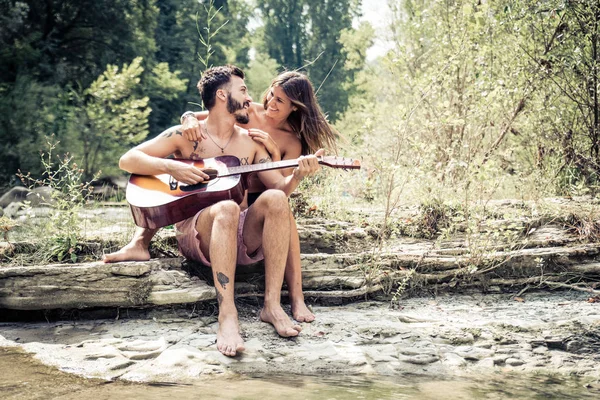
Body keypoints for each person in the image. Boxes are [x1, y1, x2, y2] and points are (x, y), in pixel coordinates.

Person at [115, 65, 321, 357]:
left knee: (275, 199)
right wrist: (171, 165)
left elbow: (280, 190)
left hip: (240, 235)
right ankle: (227, 314)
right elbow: (128, 159)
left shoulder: (251, 140)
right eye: (243, 90)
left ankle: (272, 305)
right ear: (223, 96)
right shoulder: (186, 135)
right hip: (199, 232)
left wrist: (297, 175)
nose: (250, 98)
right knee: (225, 208)